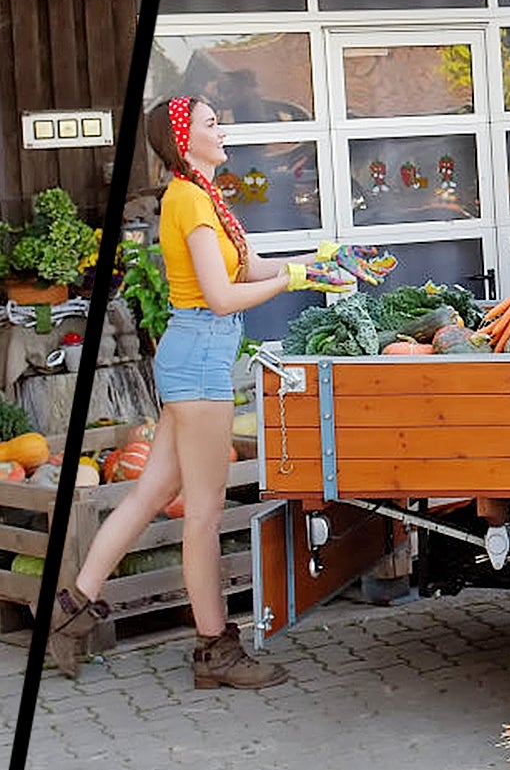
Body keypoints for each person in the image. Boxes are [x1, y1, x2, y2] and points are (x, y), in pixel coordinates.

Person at [47, 97, 390, 688]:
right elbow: (223, 296)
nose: (221, 128)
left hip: (193, 353)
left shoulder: (203, 197)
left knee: (149, 493)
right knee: (203, 515)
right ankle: (215, 651)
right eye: (210, 123)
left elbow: (249, 268)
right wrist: (297, 280)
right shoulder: (188, 201)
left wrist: (321, 260)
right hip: (201, 358)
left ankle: (70, 609)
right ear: (184, 140)